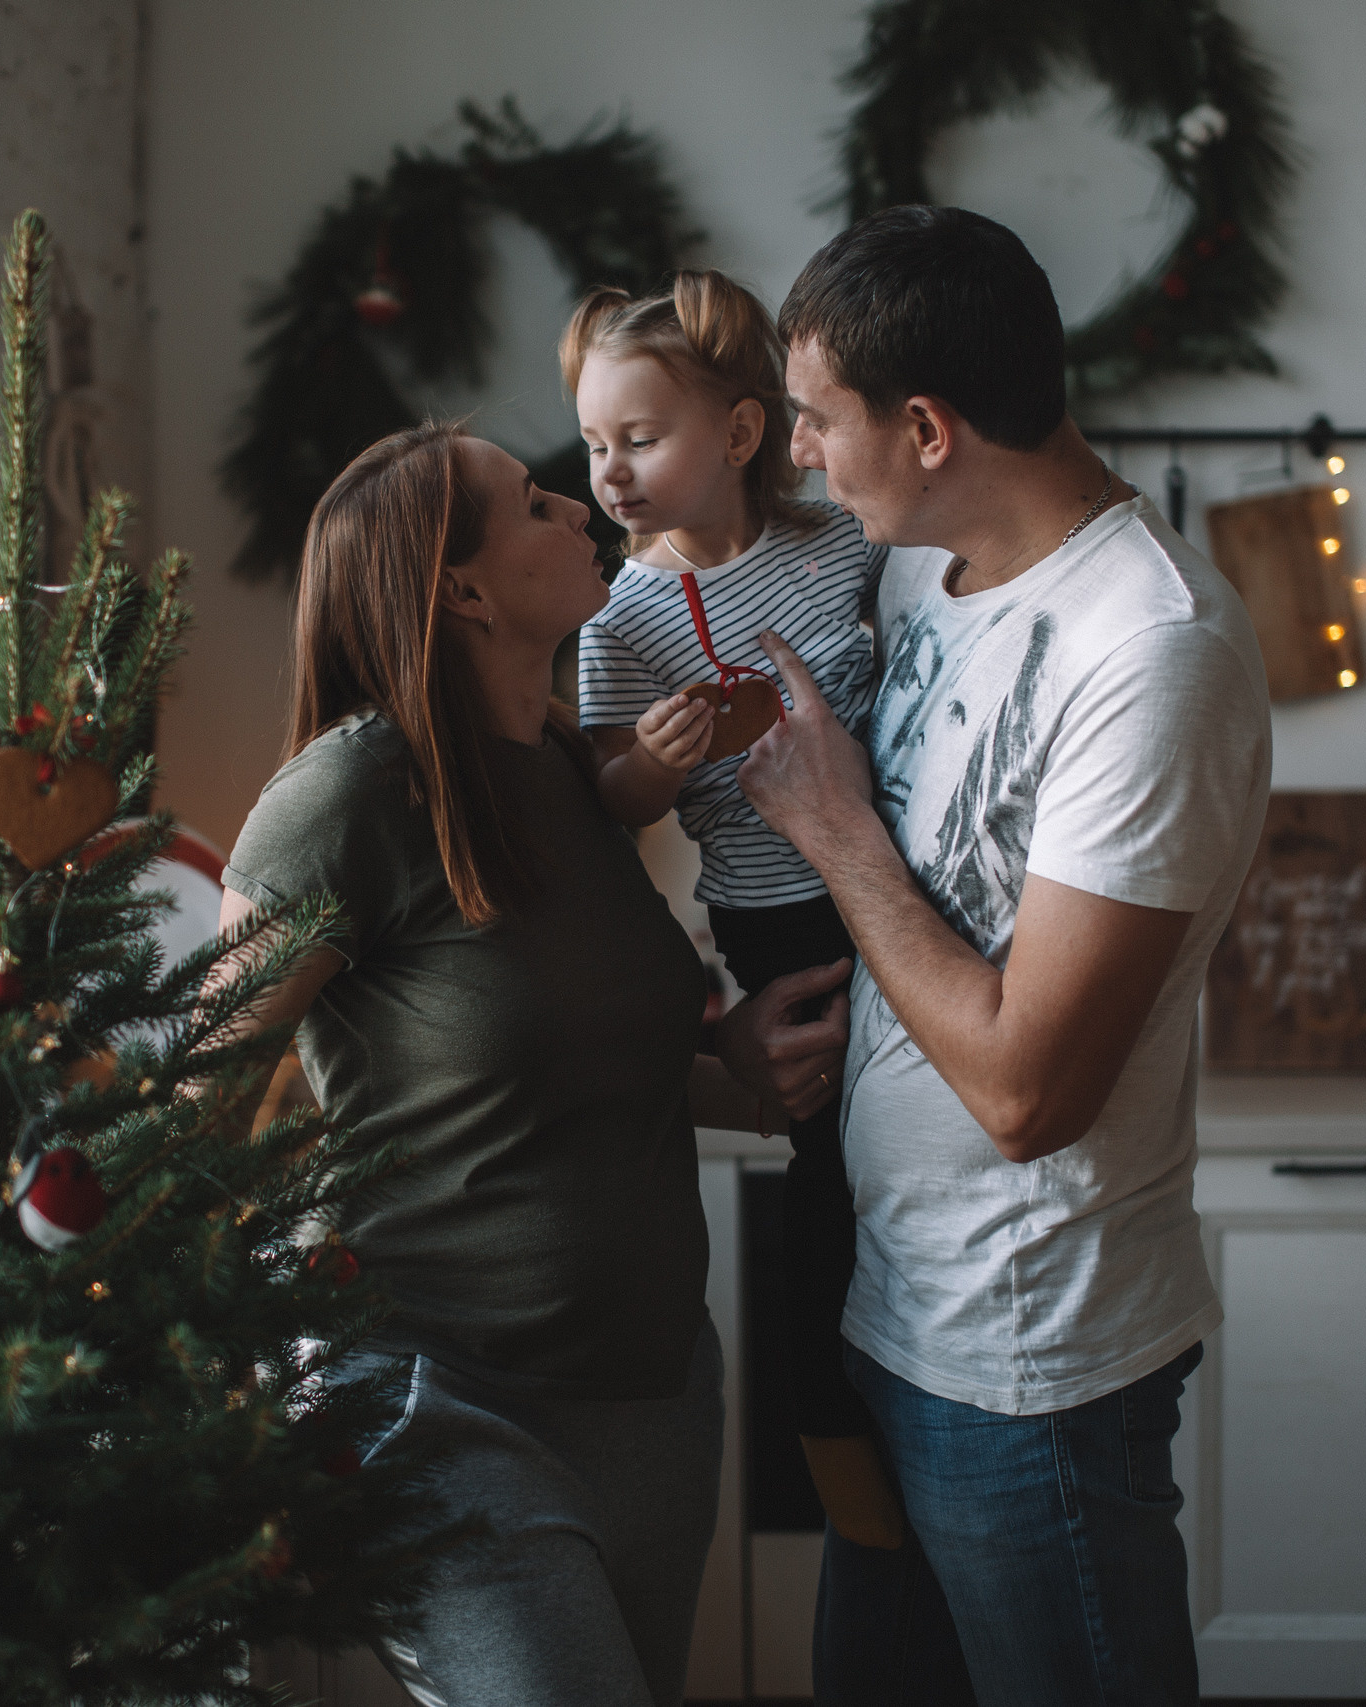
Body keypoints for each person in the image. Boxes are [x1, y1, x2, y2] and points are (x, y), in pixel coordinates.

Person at [733, 206, 1274, 1705]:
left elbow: (1031, 1091)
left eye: (815, 419)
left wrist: (839, 832)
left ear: (923, 426)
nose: (796, 453)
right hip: (890, 1304)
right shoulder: (922, 568)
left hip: (1029, 1358)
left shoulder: (1152, 651)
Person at [214, 422, 844, 1707]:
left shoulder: (569, 768)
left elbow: (584, 1067)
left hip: (657, 1399)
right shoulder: (345, 798)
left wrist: (748, 1073)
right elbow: (201, 1090)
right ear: (463, 589)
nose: (582, 505)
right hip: (440, 1404)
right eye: (533, 502)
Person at [563, 270, 901, 1550]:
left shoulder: (841, 545)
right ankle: (831, 1431)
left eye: (639, 440)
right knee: (829, 1167)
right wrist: (651, 762)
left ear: (744, 433)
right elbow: (611, 801)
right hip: (776, 915)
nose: (610, 471)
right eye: (595, 444)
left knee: (913, 1158)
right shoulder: (623, 620)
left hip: (897, 887)